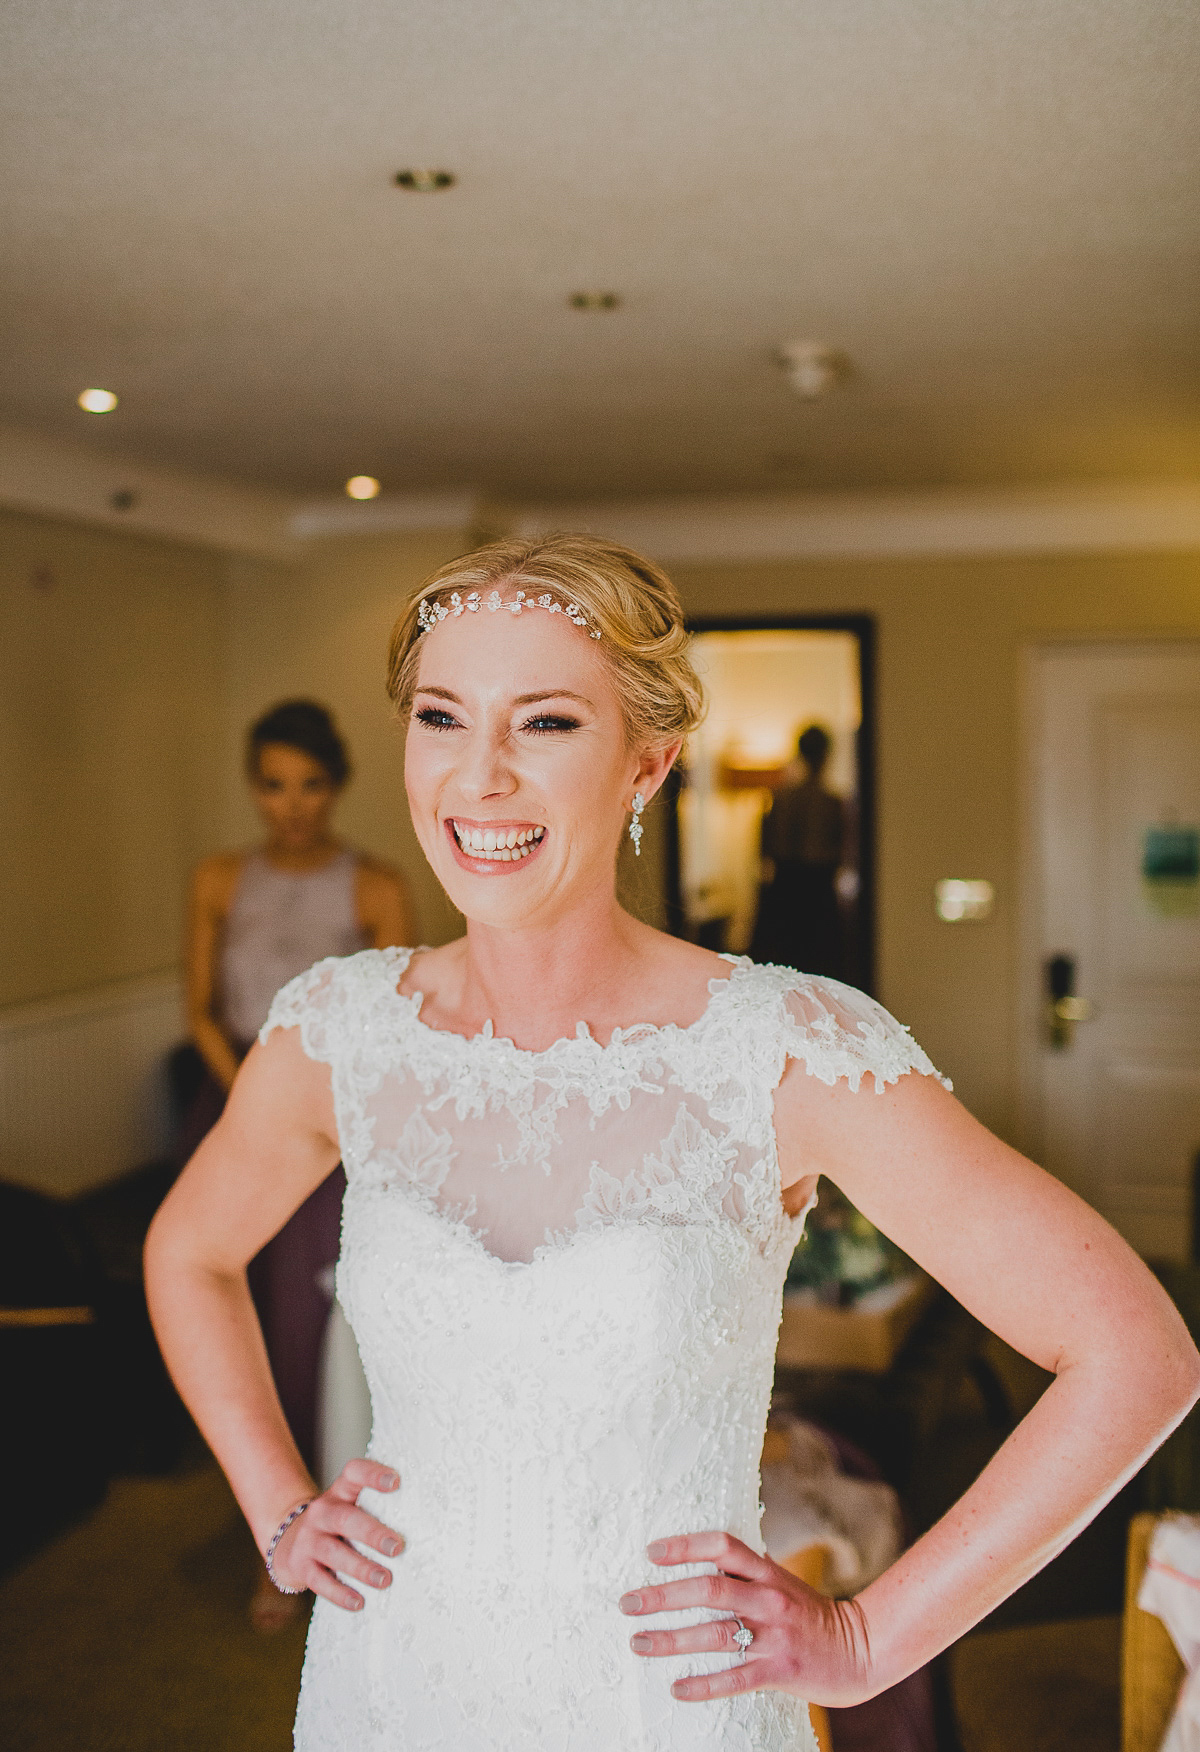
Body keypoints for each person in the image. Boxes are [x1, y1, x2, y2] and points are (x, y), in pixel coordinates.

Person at [146, 535, 1200, 1750]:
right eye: (442, 717)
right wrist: (279, 1512)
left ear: (648, 764)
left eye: (543, 725)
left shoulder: (784, 1046)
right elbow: (190, 1255)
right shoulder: (339, 1032)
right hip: (390, 1678)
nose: (477, 776)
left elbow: (1134, 1353)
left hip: (661, 1707)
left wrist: (868, 1640)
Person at [181, 697, 412, 1628]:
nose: (292, 805)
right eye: (274, 785)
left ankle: (341, 1522)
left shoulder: (376, 885)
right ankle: (270, 1531)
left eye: (310, 785)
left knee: (317, 1323)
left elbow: (400, 1026)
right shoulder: (217, 877)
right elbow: (197, 1005)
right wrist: (248, 1098)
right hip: (231, 1100)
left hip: (336, 1125)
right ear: (254, 786)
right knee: (225, 1306)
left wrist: (316, 1113)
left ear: (337, 785)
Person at [752, 725, 847, 978]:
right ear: (826, 755)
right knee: (817, 966)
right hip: (814, 887)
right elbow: (841, 851)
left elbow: (764, 852)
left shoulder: (780, 798)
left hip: (787, 886)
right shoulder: (831, 802)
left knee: (785, 964)